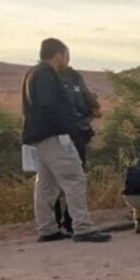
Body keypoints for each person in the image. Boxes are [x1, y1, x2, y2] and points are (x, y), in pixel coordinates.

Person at [21, 38, 111, 243]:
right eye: (66, 55)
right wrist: (69, 128)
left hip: (40, 137)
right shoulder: (46, 75)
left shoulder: (33, 73)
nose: (67, 60)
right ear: (58, 54)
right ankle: (82, 227)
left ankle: (47, 228)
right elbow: (49, 106)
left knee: (46, 183)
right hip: (54, 135)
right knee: (74, 178)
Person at [53, 66, 103, 234]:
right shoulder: (74, 78)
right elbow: (94, 106)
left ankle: (54, 224)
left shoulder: (44, 78)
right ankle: (72, 222)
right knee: (75, 179)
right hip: (76, 135)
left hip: (53, 136)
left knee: (52, 180)